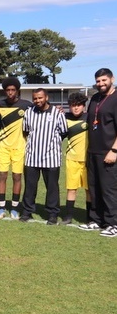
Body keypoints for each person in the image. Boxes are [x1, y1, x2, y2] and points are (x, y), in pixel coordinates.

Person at [19, 88, 67, 224]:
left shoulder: (57, 113)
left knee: (52, 187)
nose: (37, 100)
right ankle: (27, 211)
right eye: (35, 98)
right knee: (30, 186)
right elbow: (26, 131)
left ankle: (52, 213)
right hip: (32, 156)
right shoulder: (29, 112)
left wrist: (52, 144)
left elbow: (63, 132)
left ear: (46, 97)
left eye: (40, 98)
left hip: (51, 157)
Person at [82, 68, 117, 236]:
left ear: (112, 79)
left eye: (104, 80)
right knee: (94, 188)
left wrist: (114, 150)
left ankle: (113, 223)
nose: (101, 84)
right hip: (93, 151)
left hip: (109, 152)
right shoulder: (95, 98)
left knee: (109, 189)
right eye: (98, 81)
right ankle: (96, 220)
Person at [0, 77, 32, 220]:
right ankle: (1, 208)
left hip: (19, 146)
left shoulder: (26, 105)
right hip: (3, 146)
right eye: (8, 90)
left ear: (17, 91)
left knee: (17, 177)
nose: (10, 92)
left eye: (13, 90)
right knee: (2, 176)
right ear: (5, 91)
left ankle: (15, 208)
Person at [62, 92, 90, 225]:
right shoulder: (65, 118)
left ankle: (91, 217)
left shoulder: (90, 117)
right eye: (73, 105)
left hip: (88, 160)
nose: (76, 108)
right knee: (71, 189)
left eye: (78, 105)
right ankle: (68, 216)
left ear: (84, 106)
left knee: (89, 190)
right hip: (71, 159)